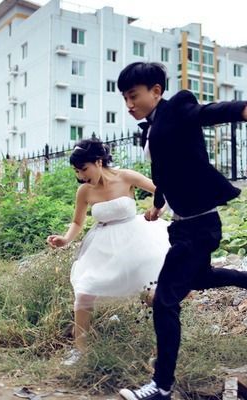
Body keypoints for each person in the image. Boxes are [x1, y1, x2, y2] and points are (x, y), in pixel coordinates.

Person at [116, 62, 247, 400]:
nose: (129, 104)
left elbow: (206, 113)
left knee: (165, 301)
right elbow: (163, 171)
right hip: (185, 226)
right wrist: (158, 203)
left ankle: (161, 386)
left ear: (156, 91)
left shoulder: (178, 107)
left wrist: (246, 110)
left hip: (199, 225)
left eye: (133, 96)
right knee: (200, 278)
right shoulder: (153, 125)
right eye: (124, 98)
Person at [46, 138, 169, 366]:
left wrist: (157, 209)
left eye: (84, 169)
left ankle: (162, 350)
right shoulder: (84, 191)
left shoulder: (126, 176)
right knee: (85, 291)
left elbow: (162, 190)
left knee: (153, 294)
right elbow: (77, 222)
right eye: (77, 171)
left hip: (137, 241)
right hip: (102, 246)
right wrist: (65, 239)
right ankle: (80, 351)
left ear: (98, 161)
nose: (81, 176)